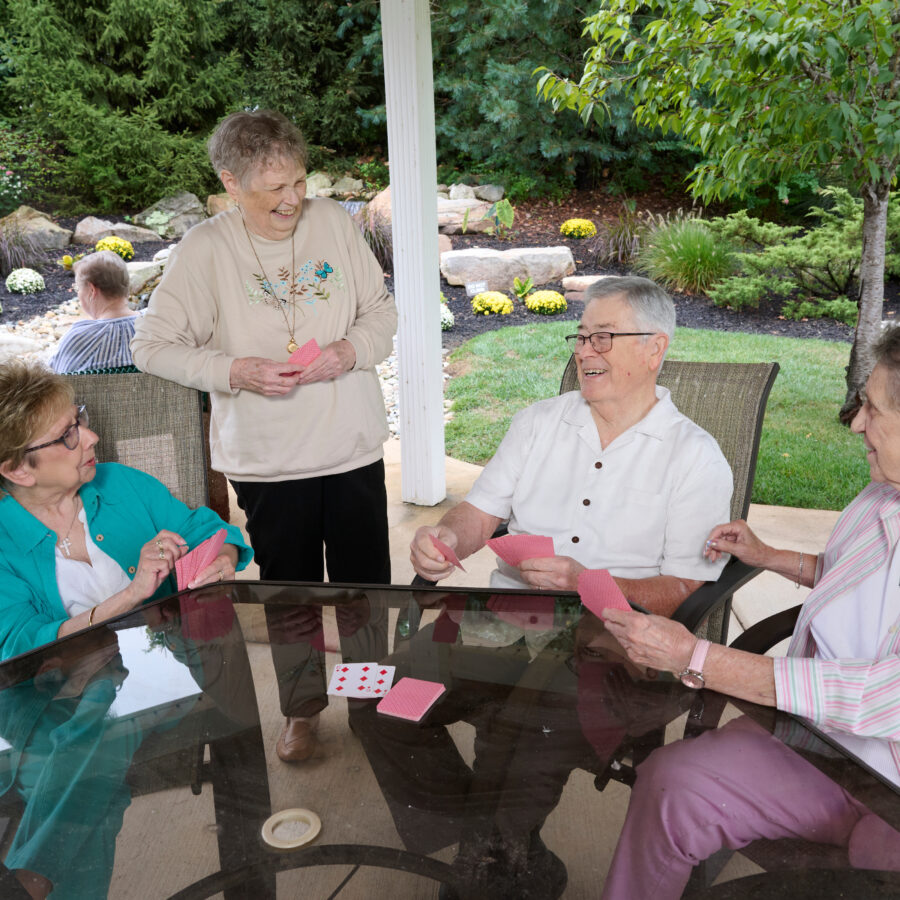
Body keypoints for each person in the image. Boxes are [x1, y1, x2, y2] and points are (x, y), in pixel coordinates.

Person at [131, 109, 397, 762]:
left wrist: (349, 350)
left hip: (350, 444)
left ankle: (371, 703)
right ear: (230, 180)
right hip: (269, 462)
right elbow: (151, 346)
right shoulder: (205, 249)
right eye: (273, 188)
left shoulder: (334, 224)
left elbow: (381, 315)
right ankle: (303, 708)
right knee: (291, 593)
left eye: (299, 182)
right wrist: (234, 371)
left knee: (366, 586)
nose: (292, 200)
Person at [599, 324, 900, 899]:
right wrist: (769, 556)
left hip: (886, 770)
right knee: (670, 782)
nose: (857, 423)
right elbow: (859, 578)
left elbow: (887, 695)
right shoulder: (881, 493)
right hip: (824, 742)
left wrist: (700, 658)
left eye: (873, 409)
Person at [0, 359, 252, 899]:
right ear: (19, 470)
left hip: (149, 675)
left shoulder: (122, 485)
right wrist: (131, 595)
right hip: (42, 697)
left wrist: (220, 556)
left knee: (101, 709)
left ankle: (31, 879)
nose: (90, 436)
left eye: (80, 419)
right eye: (67, 436)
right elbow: (17, 648)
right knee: (93, 764)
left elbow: (209, 527)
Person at [410, 276, 733, 616]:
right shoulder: (536, 423)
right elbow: (478, 513)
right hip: (507, 625)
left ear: (653, 349)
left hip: (619, 641)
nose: (583, 351)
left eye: (602, 338)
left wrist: (588, 584)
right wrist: (447, 539)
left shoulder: (696, 458)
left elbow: (684, 590)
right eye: (580, 337)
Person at [50, 251, 141, 374]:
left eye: (78, 288)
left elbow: (57, 382)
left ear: (92, 290)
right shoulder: (158, 326)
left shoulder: (79, 339)